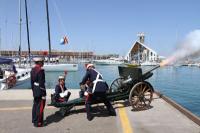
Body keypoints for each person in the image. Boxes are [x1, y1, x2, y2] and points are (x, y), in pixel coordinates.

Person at [30, 57, 46, 127]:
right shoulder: (40, 71)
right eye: (42, 62)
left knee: (35, 106)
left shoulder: (32, 70)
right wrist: (43, 93)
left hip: (35, 90)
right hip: (40, 91)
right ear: (39, 62)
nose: (43, 63)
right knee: (40, 107)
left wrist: (33, 91)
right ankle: (38, 122)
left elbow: (32, 83)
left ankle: (34, 120)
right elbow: (41, 83)